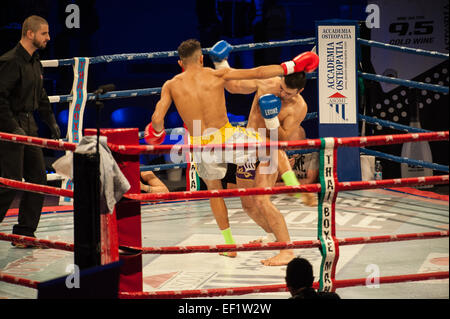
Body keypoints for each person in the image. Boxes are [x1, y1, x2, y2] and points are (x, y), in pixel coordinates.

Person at [144, 38, 317, 258]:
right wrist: (291, 65)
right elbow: (259, 71)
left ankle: (229, 245)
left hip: (199, 145)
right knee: (266, 150)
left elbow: (157, 119)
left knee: (215, 192)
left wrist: (156, 133)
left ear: (180, 63)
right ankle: (294, 188)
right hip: (227, 138)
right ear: (201, 58)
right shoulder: (216, 75)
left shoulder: (170, 85)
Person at [214, 41, 317, 265]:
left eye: (288, 93)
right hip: (246, 147)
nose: (282, 94)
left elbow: (283, 139)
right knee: (248, 204)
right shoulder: (268, 82)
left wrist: (271, 118)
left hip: (269, 151)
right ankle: (273, 239)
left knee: (262, 200)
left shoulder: (298, 107)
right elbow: (232, 86)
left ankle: (287, 250)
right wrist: (220, 62)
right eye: (281, 88)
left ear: (299, 91)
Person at [0, 15, 60, 247]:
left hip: (29, 125)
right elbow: (0, 100)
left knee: (38, 179)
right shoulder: (10, 61)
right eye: (44, 33)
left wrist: (51, 120)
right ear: (30, 34)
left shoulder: (35, 61)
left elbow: (41, 95)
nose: (48, 37)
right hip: (10, 127)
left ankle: (24, 234)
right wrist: (13, 128)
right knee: (10, 183)